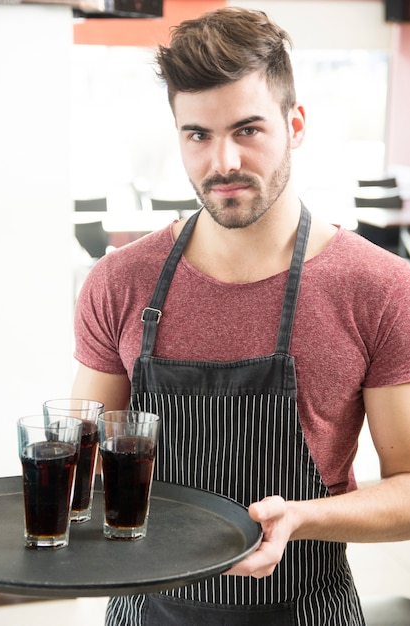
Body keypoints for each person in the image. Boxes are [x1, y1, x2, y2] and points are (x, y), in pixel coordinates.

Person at [72, 7, 410, 625]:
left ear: (296, 124)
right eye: (197, 134)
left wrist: (305, 517)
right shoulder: (118, 282)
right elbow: (81, 464)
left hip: (307, 608)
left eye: (248, 129)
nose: (222, 160)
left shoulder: (380, 287)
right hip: (144, 611)